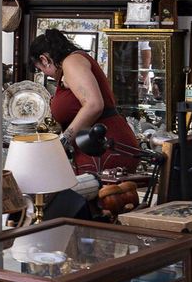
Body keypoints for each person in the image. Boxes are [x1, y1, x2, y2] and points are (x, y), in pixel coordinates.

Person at [32, 27, 140, 175]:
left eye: (40, 69)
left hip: (104, 146)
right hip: (98, 146)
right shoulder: (71, 66)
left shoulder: (72, 62)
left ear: (44, 60)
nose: (45, 74)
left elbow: (94, 105)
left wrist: (64, 141)